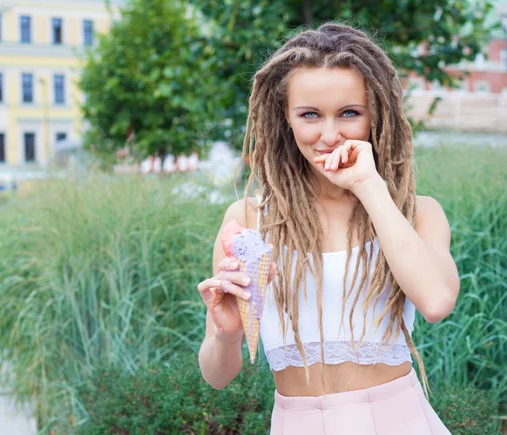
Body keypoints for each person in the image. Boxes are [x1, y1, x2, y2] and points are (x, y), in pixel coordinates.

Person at [197, 23, 459, 434]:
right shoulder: (248, 221)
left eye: (350, 113)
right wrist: (228, 335)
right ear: (286, 117)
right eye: (310, 115)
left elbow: (438, 301)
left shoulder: (416, 213)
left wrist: (369, 186)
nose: (330, 135)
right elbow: (217, 376)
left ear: (377, 115)